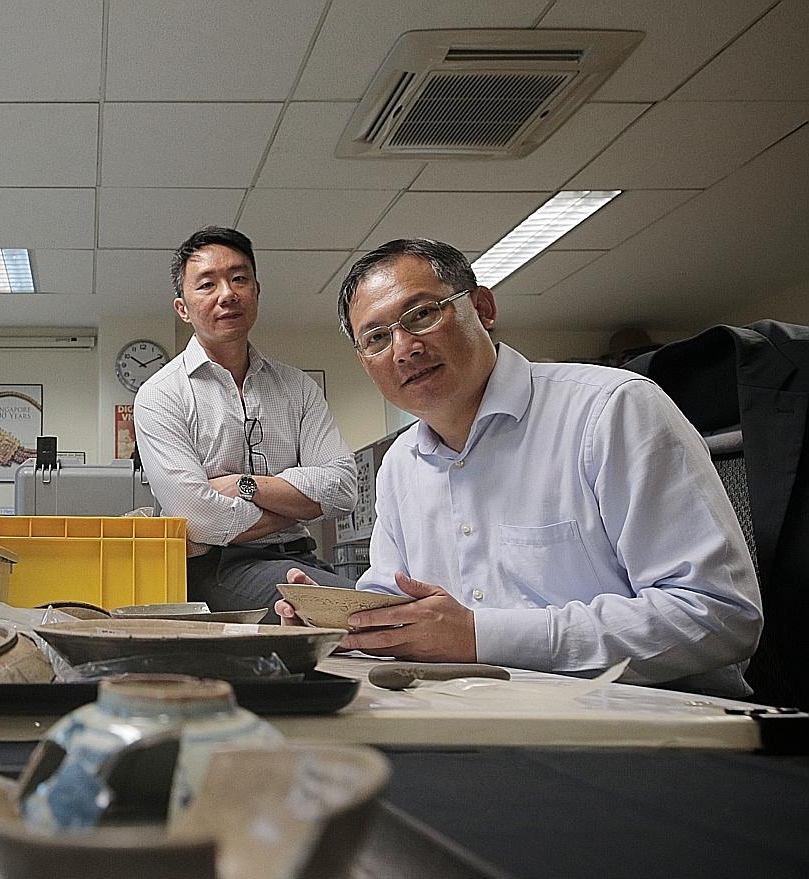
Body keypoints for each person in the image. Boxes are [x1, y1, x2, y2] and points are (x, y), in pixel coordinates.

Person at [278, 238, 762, 697]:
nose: (404, 348)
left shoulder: (612, 410)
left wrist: (478, 635)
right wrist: (339, 622)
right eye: (377, 338)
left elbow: (718, 616)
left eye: (421, 315)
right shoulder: (400, 465)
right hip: (473, 717)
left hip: (650, 726)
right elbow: (396, 601)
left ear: (482, 309)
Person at [134, 226, 359, 621]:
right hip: (218, 570)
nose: (227, 294)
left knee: (372, 603)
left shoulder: (297, 387)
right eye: (207, 284)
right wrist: (301, 508)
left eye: (239, 279)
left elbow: (341, 487)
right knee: (360, 612)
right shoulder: (160, 395)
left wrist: (245, 485)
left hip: (302, 559)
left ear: (256, 290)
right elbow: (199, 519)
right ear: (182, 308)